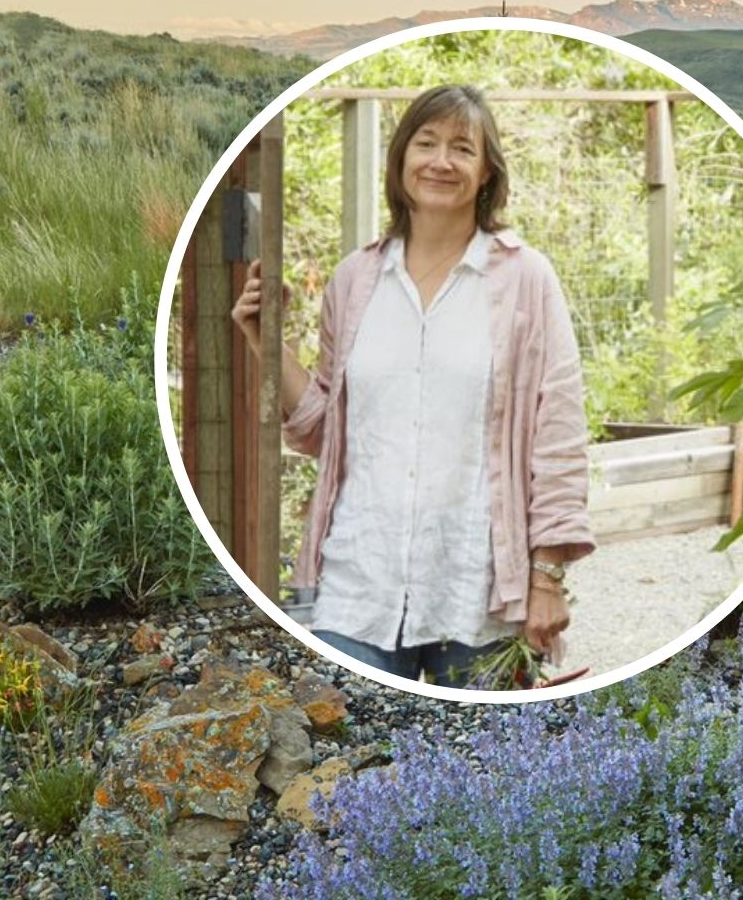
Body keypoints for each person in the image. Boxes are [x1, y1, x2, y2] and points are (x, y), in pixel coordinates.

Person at [231, 84, 594, 688]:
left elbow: (559, 434)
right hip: (358, 583)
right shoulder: (355, 280)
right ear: (400, 163)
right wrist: (267, 344)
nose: (441, 161)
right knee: (346, 760)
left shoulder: (525, 280)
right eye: (425, 143)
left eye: (462, 148)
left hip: (476, 591)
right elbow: (325, 429)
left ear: (486, 173)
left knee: (481, 767)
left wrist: (547, 578)